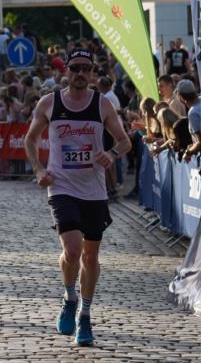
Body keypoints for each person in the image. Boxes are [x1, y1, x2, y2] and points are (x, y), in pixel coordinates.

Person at [24, 48, 131, 347]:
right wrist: (38, 168)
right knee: (72, 251)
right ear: (66, 72)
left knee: (91, 255)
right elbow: (30, 139)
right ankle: (69, 297)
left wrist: (110, 154)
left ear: (93, 72)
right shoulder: (50, 103)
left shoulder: (102, 105)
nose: (80, 74)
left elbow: (124, 142)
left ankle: (85, 315)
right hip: (61, 186)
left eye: (86, 68)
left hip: (94, 190)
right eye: (75, 68)